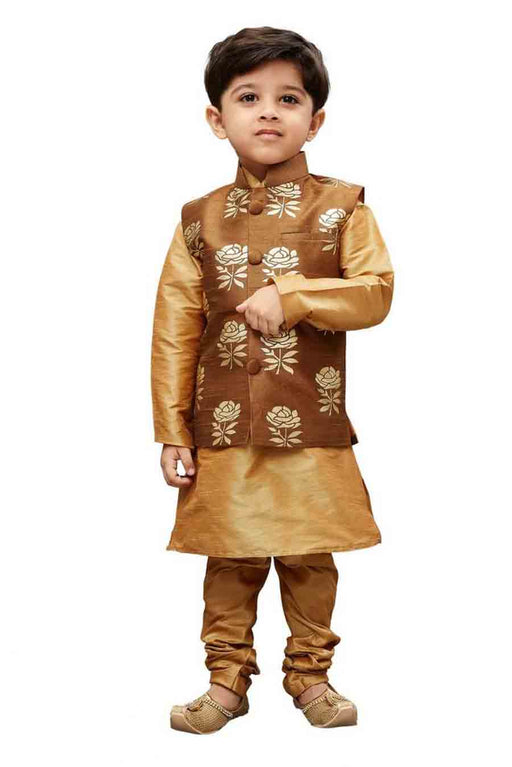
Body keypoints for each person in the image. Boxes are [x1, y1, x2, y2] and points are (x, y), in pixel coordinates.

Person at [151, 26, 394, 734]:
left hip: (310, 418)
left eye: (289, 99)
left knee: (309, 553)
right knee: (230, 556)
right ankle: (226, 680)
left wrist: (295, 295)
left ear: (314, 120)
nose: (268, 112)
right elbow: (175, 327)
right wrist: (171, 428)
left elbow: (375, 292)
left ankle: (311, 675)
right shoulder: (199, 220)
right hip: (221, 420)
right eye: (248, 97)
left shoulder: (343, 207)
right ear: (216, 118)